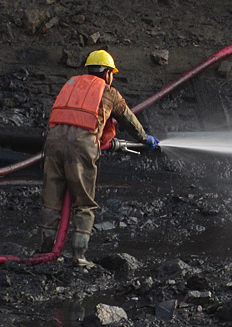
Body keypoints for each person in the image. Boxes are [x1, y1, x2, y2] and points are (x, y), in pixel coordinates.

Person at [39, 49, 159, 268]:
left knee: (51, 199)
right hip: (81, 147)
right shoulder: (109, 92)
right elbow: (129, 120)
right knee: (84, 202)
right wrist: (145, 138)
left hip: (52, 143)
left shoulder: (71, 84)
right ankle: (79, 256)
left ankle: (46, 250)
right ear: (108, 73)